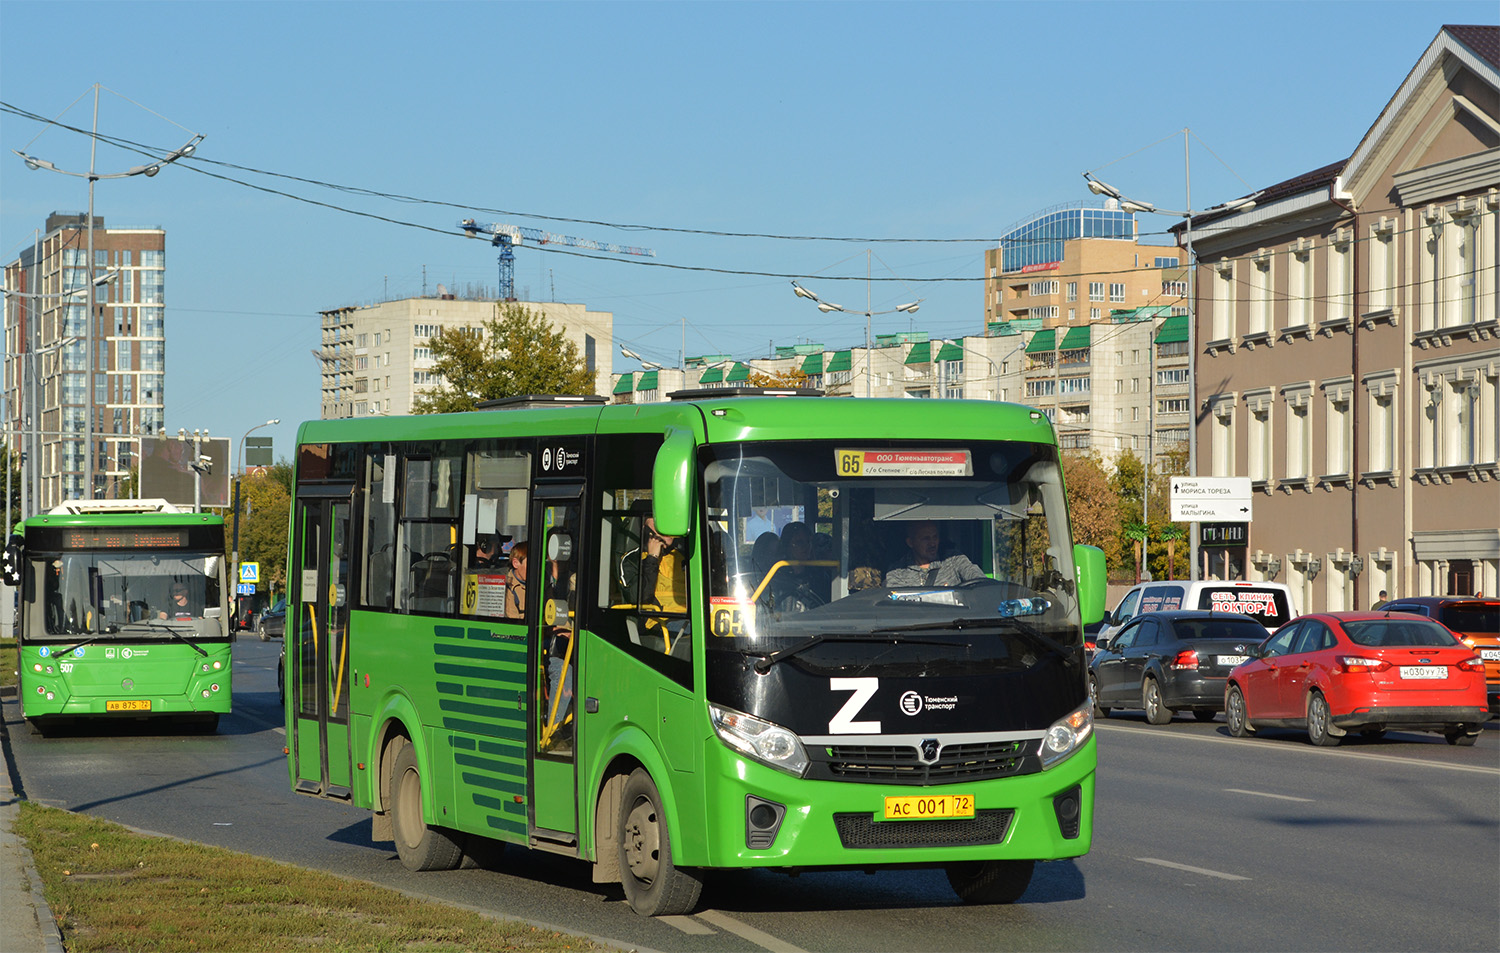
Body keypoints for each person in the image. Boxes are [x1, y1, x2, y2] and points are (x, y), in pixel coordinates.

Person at [885, 520, 986, 588]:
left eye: (935, 537)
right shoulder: (897, 571)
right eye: (926, 538)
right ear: (911, 542)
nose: (932, 543)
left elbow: (981, 582)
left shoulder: (954, 560)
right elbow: (896, 606)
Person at [504, 541, 528, 619]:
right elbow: (513, 621)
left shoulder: (543, 583)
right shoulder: (508, 587)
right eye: (530, 564)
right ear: (515, 563)